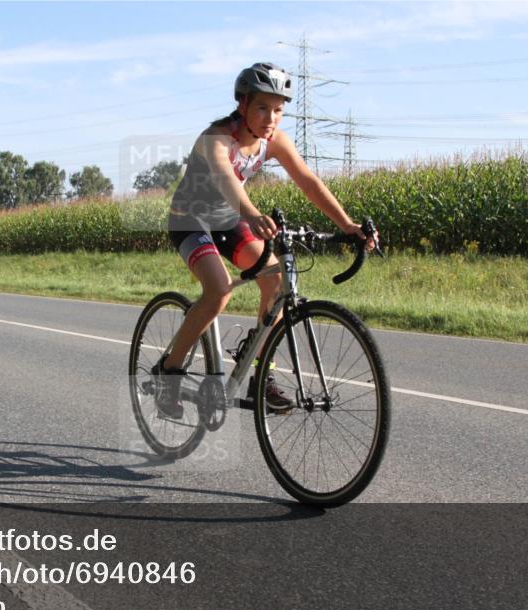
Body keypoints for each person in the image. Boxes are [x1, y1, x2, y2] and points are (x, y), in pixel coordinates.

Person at [155, 62, 378, 419]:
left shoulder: (274, 142)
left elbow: (309, 183)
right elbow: (227, 180)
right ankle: (170, 370)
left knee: (275, 281)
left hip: (229, 220)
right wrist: (252, 213)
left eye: (278, 110)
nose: (270, 118)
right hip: (190, 220)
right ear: (242, 105)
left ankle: (262, 374)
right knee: (219, 290)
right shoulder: (216, 138)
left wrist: (348, 224)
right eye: (262, 107)